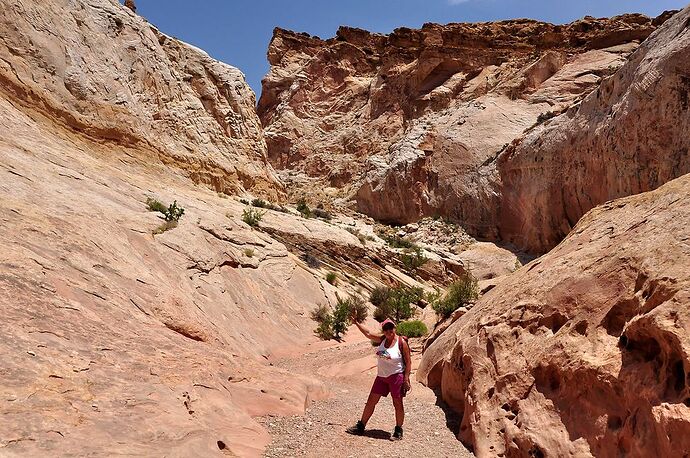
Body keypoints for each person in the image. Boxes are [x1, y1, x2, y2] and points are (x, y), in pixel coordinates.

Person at [346, 318, 412, 440]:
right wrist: (356, 322)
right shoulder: (382, 339)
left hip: (396, 376)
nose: (388, 331)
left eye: (390, 328)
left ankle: (398, 430)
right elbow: (368, 334)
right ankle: (361, 426)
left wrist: (406, 379)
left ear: (394, 328)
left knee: (397, 403)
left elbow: (408, 362)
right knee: (371, 400)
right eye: (385, 329)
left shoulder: (401, 342)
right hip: (381, 376)